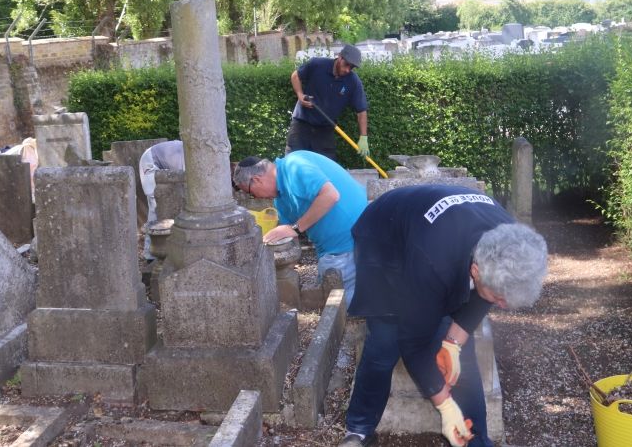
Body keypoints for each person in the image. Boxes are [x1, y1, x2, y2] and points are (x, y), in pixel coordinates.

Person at [339, 185, 548, 447]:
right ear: (475, 271)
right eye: (498, 299)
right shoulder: (433, 262)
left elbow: (483, 296)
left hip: (432, 238)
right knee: (385, 342)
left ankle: (476, 441)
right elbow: (414, 344)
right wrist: (446, 407)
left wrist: (453, 343)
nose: (500, 306)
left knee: (462, 357)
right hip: (384, 241)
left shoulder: (511, 239)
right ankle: (359, 430)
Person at [233, 151, 367, 306]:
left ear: (256, 180)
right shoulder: (281, 199)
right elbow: (286, 234)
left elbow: (330, 195)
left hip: (352, 240)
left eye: (250, 193)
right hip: (331, 249)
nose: (255, 198)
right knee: (328, 295)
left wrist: (295, 228)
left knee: (346, 307)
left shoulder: (294, 165)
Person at [287, 44, 369, 161]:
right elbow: (295, 76)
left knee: (327, 168)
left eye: (351, 68)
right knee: (293, 161)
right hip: (301, 124)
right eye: (346, 65)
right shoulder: (317, 64)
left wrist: (363, 137)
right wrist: (300, 95)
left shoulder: (353, 82)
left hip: (325, 130)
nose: (347, 70)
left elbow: (361, 111)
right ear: (340, 57)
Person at [138, 140, 184, 260]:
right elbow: (186, 184)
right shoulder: (187, 158)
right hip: (150, 161)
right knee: (155, 206)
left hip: (164, 165)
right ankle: (150, 255)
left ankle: (170, 248)